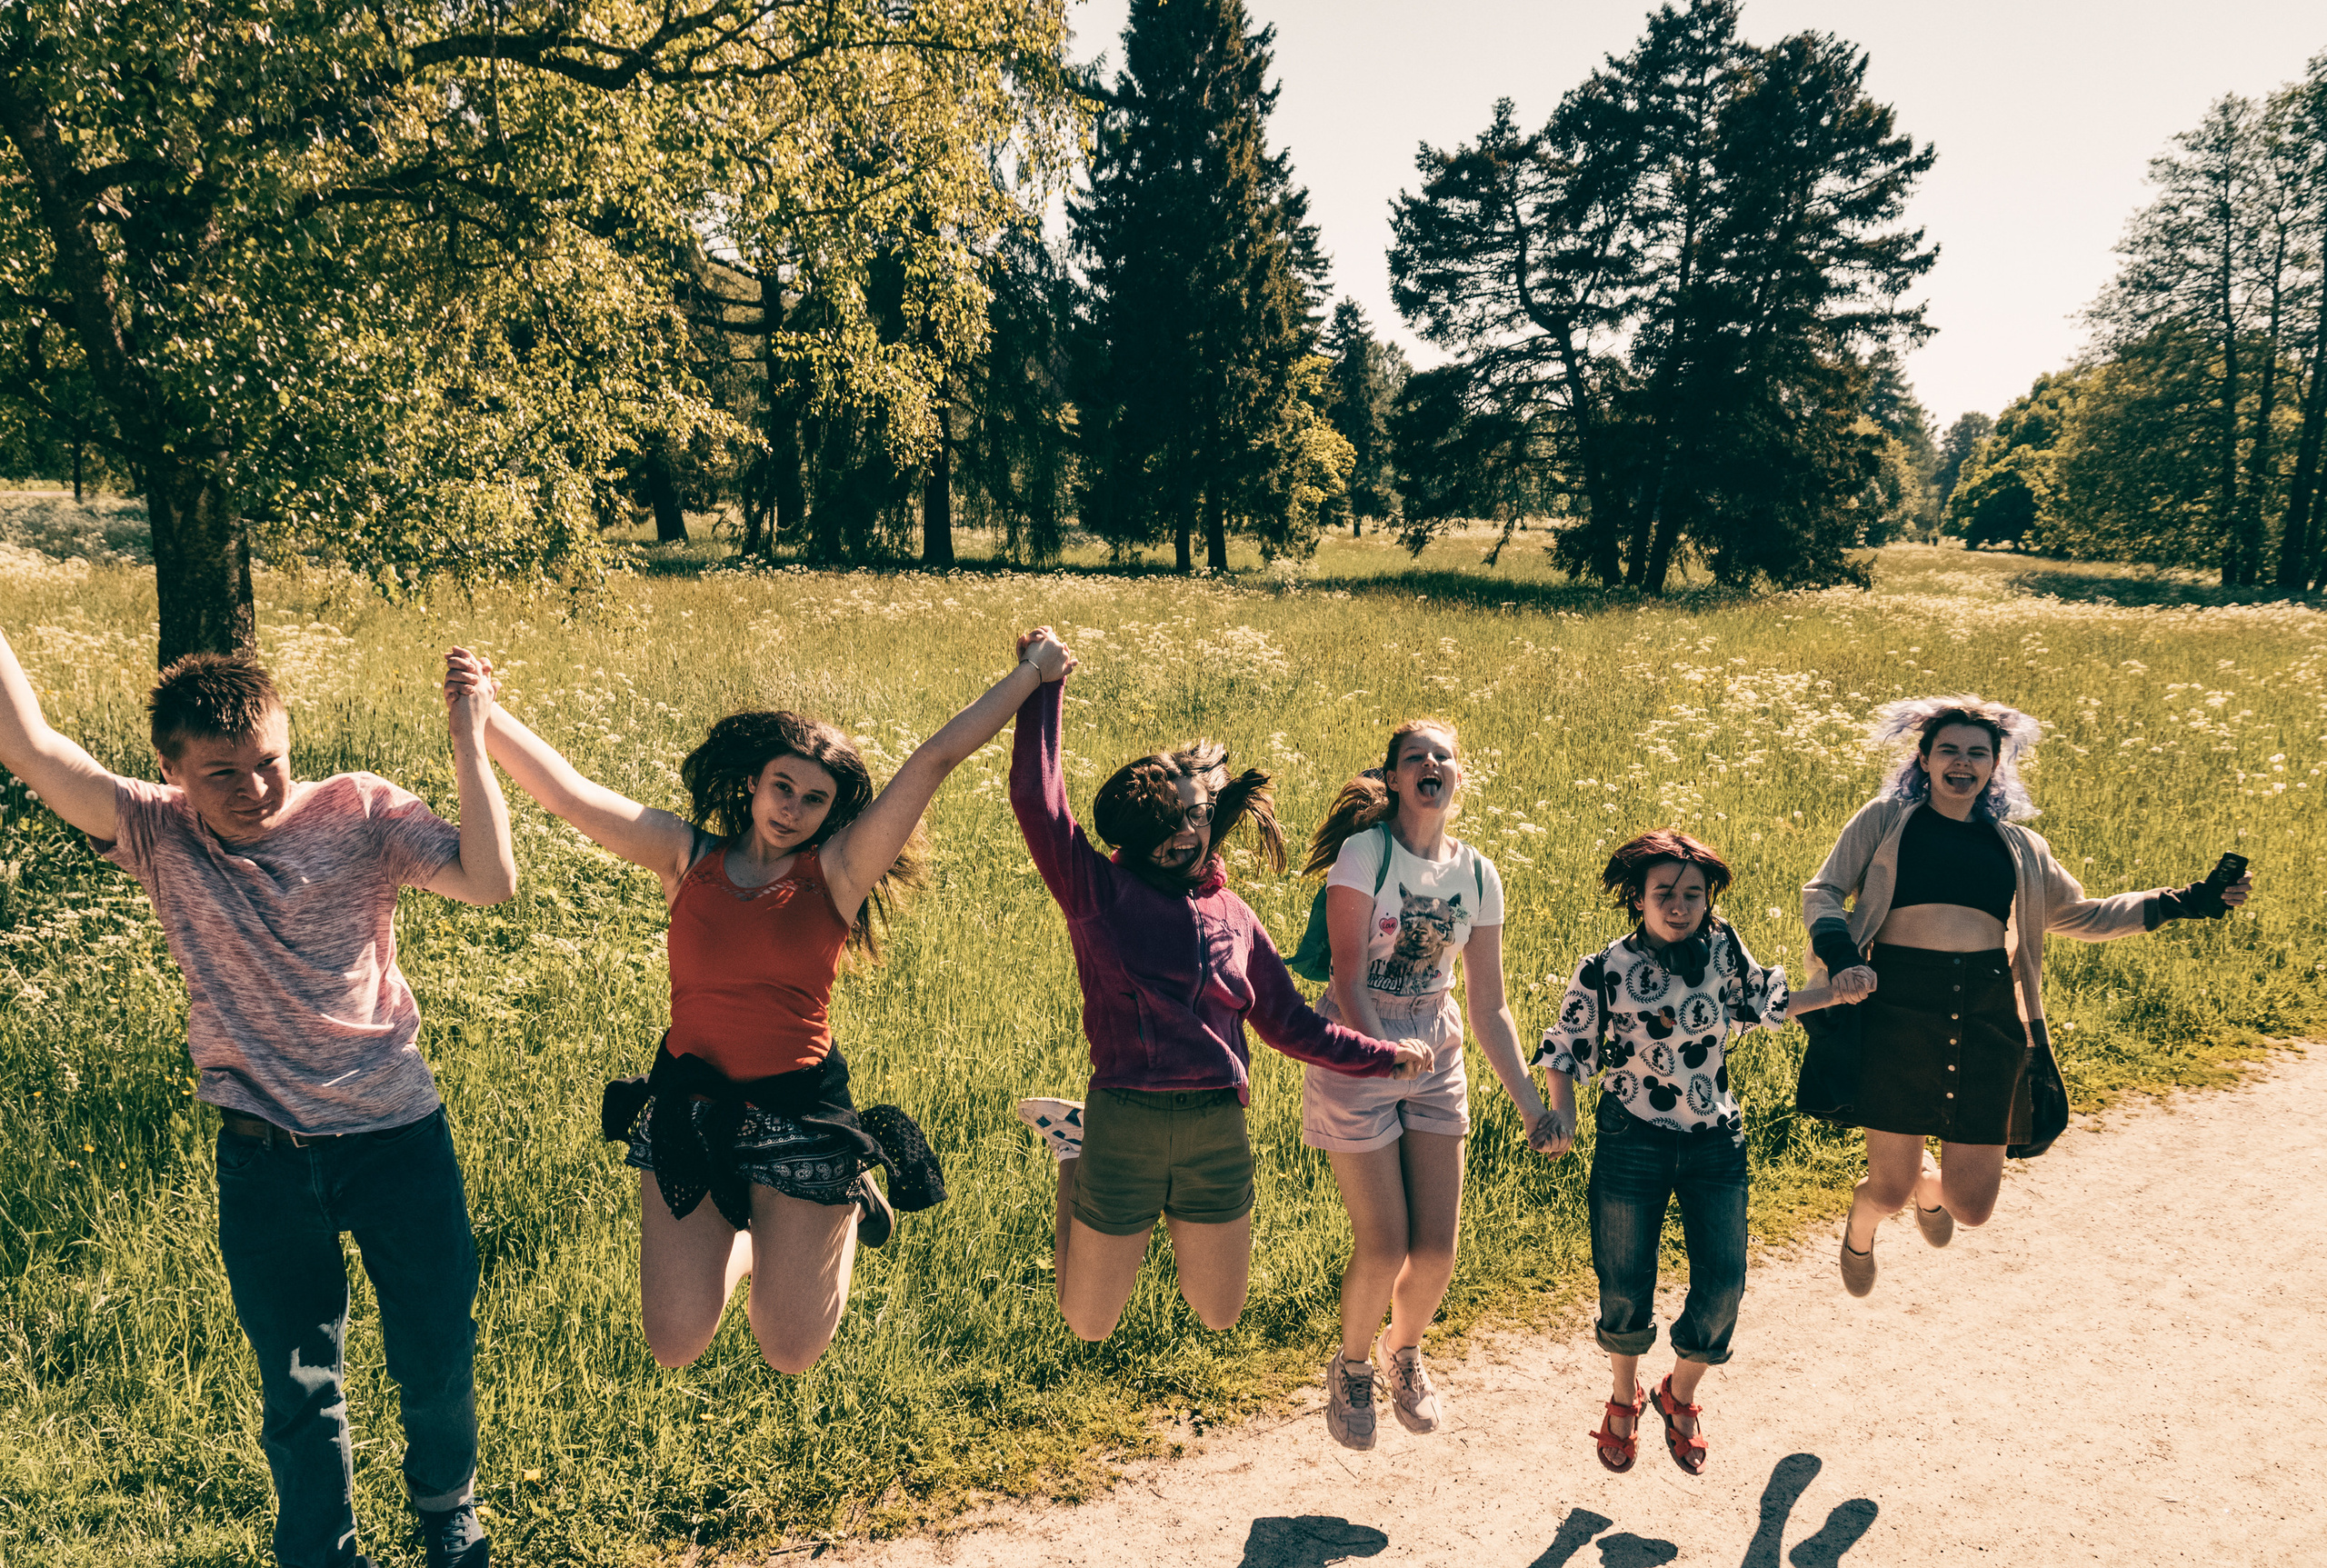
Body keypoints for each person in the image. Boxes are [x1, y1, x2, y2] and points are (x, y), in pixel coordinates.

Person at [0, 627, 514, 1568]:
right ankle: (320, 1553)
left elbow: (491, 881)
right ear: (172, 769)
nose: (254, 791)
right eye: (221, 774)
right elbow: (28, 746)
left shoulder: (360, 809)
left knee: (436, 1350)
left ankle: (447, 1508)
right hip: (264, 1156)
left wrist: (468, 737)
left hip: (395, 1135)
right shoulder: (153, 827)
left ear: (291, 741)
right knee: (298, 1384)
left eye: (269, 764)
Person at [471, 631, 1071, 1374]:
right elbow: (568, 793)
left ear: (831, 811)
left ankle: (846, 1197)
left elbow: (934, 760)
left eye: (814, 798)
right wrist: (483, 712)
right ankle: (758, 1242)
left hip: (799, 1112)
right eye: (782, 787)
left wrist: (1031, 676)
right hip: (689, 1105)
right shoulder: (686, 858)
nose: (793, 808)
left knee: (791, 1351)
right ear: (753, 784)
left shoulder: (839, 872)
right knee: (674, 1344)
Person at [1007, 654, 1429, 1345]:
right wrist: (1043, 686)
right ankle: (1073, 1153)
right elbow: (1037, 801)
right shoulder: (1098, 895)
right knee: (1088, 1323)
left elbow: (1289, 1023)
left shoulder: (1235, 914)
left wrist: (1382, 1056)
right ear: (1136, 830)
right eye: (1165, 821)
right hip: (1126, 1121)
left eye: (1194, 815)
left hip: (1214, 1129)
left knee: (1220, 1310)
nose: (1184, 833)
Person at [1801, 694, 2254, 1299]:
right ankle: (1863, 1227)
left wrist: (2190, 899)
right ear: (1926, 759)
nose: (1962, 763)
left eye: (1977, 753)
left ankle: (1929, 1187)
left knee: (1972, 1206)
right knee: (1885, 1189)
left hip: (1988, 1016)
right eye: (1949, 751)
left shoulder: (2019, 847)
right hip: (1896, 1011)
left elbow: (2086, 913)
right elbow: (1823, 890)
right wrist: (1843, 957)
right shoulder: (1885, 819)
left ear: (1995, 764)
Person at [1295, 718, 1560, 1451]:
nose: (1431, 764)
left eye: (1442, 756)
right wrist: (1382, 1048)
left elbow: (1488, 1005)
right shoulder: (1364, 854)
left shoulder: (1478, 875)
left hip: (1436, 1051)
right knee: (1384, 1245)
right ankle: (1350, 1368)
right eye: (1416, 757)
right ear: (1394, 779)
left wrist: (1533, 1105)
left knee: (1436, 1251)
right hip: (1359, 1043)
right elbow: (1348, 975)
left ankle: (1402, 1353)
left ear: (1457, 778)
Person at [1537, 830, 1833, 1478]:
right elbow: (1566, 1047)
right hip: (1631, 1138)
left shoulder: (1723, 948)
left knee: (1724, 1284)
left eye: (1692, 893)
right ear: (1637, 898)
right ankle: (1624, 1396)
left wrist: (1837, 992)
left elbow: (1765, 1002)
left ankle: (1680, 1392)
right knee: (1623, 1285)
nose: (1679, 904)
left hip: (1713, 1141)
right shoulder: (1604, 968)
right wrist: (1562, 1112)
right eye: (1664, 893)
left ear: (1708, 899)